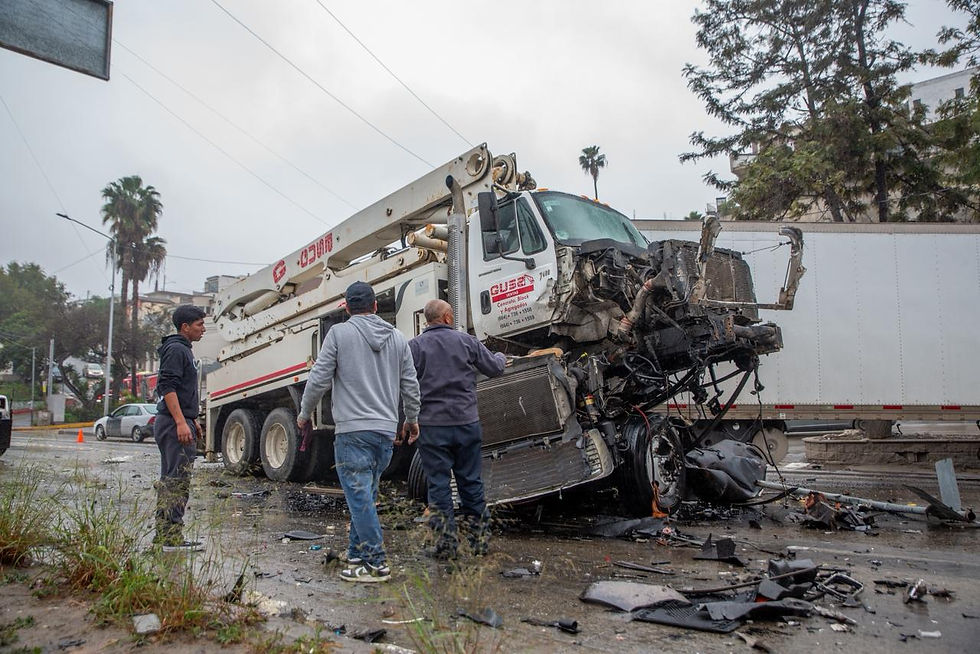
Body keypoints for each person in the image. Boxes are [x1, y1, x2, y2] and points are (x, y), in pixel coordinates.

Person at [297, 281, 420, 583]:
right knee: (365, 495)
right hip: (384, 433)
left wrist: (303, 414)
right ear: (375, 306)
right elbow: (410, 384)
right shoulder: (398, 337)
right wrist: (412, 419)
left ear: (347, 307)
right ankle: (357, 553)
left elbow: (318, 380)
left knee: (359, 497)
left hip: (353, 432)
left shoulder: (339, 334)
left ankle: (376, 563)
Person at [409, 299, 506, 559]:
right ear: (448, 318)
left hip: (432, 427)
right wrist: (501, 355)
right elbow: (495, 368)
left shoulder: (415, 347)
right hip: (466, 424)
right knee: (471, 482)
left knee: (439, 486)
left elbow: (405, 385)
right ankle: (479, 543)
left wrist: (405, 421)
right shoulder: (466, 342)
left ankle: (446, 546)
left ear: (427, 320)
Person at [153, 304, 206, 552]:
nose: (203, 329)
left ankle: (165, 535)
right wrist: (180, 421)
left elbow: (182, 391)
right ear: (185, 327)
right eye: (199, 325)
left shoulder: (181, 349)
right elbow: (168, 387)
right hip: (173, 425)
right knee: (177, 481)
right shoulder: (176, 349)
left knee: (172, 479)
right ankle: (171, 538)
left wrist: (191, 418)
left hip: (178, 420)